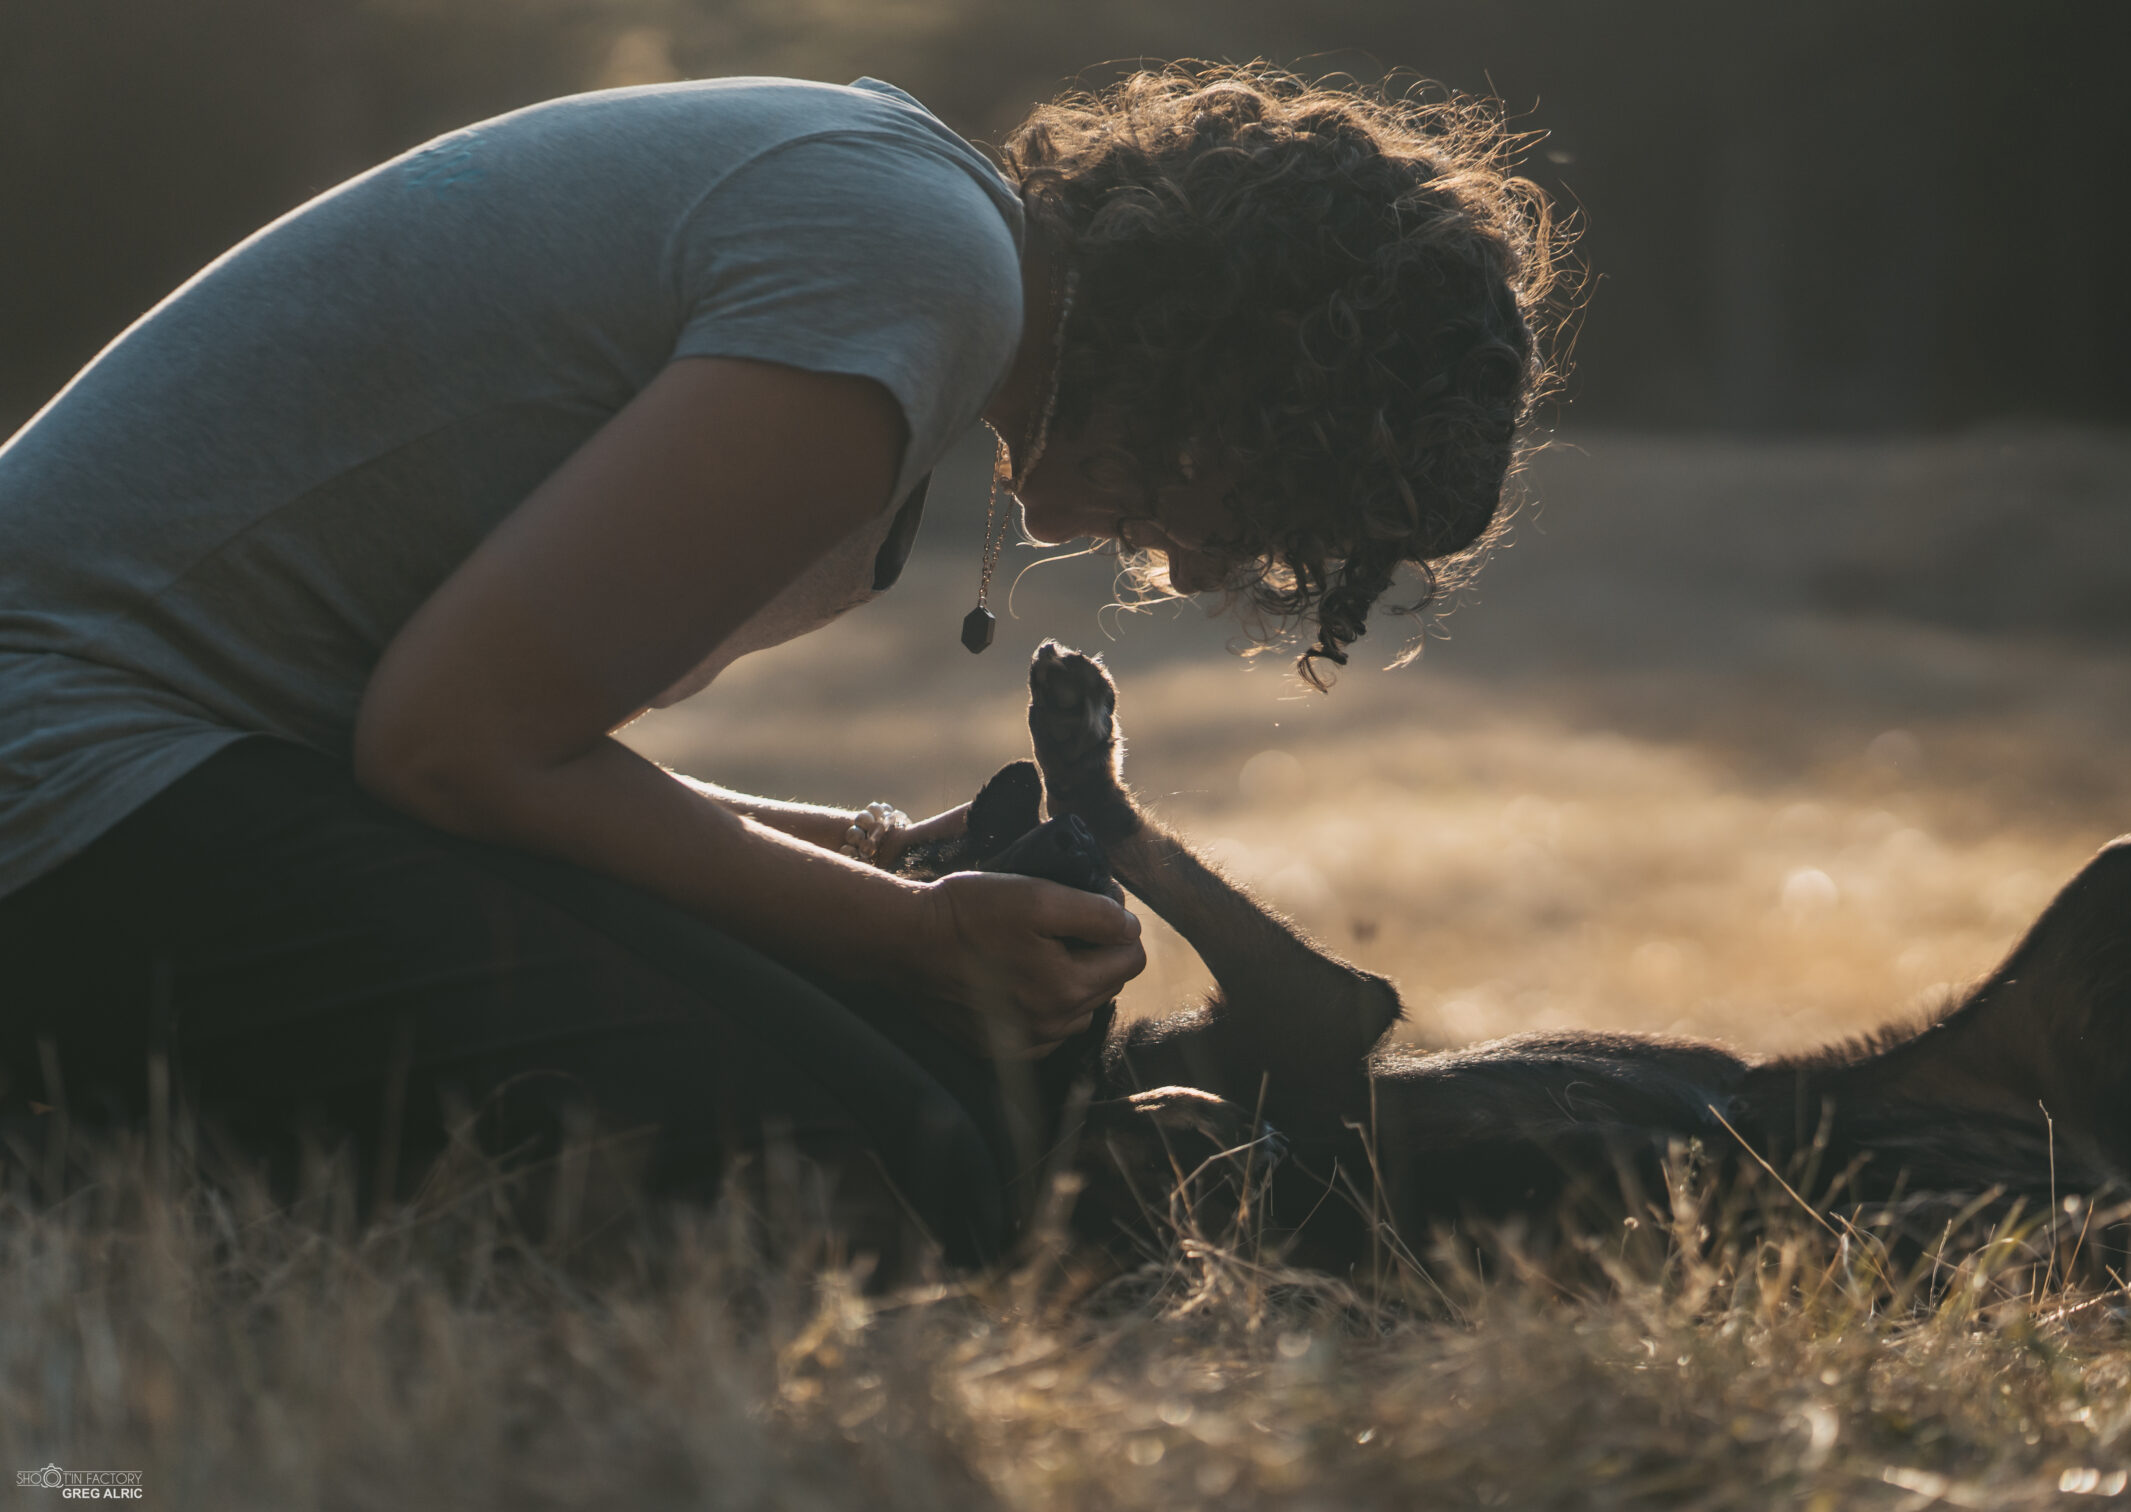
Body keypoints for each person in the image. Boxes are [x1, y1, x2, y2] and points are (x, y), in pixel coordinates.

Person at [0, 65, 1563, 1261]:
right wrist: (908, 937)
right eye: (1280, 518)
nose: (1210, 568)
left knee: (955, 1123)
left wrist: (875, 858)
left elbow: (476, 723)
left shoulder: (915, 236)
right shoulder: (913, 278)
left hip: (191, 765)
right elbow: (453, 751)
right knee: (885, 1188)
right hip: (67, 773)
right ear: (1234, 388)